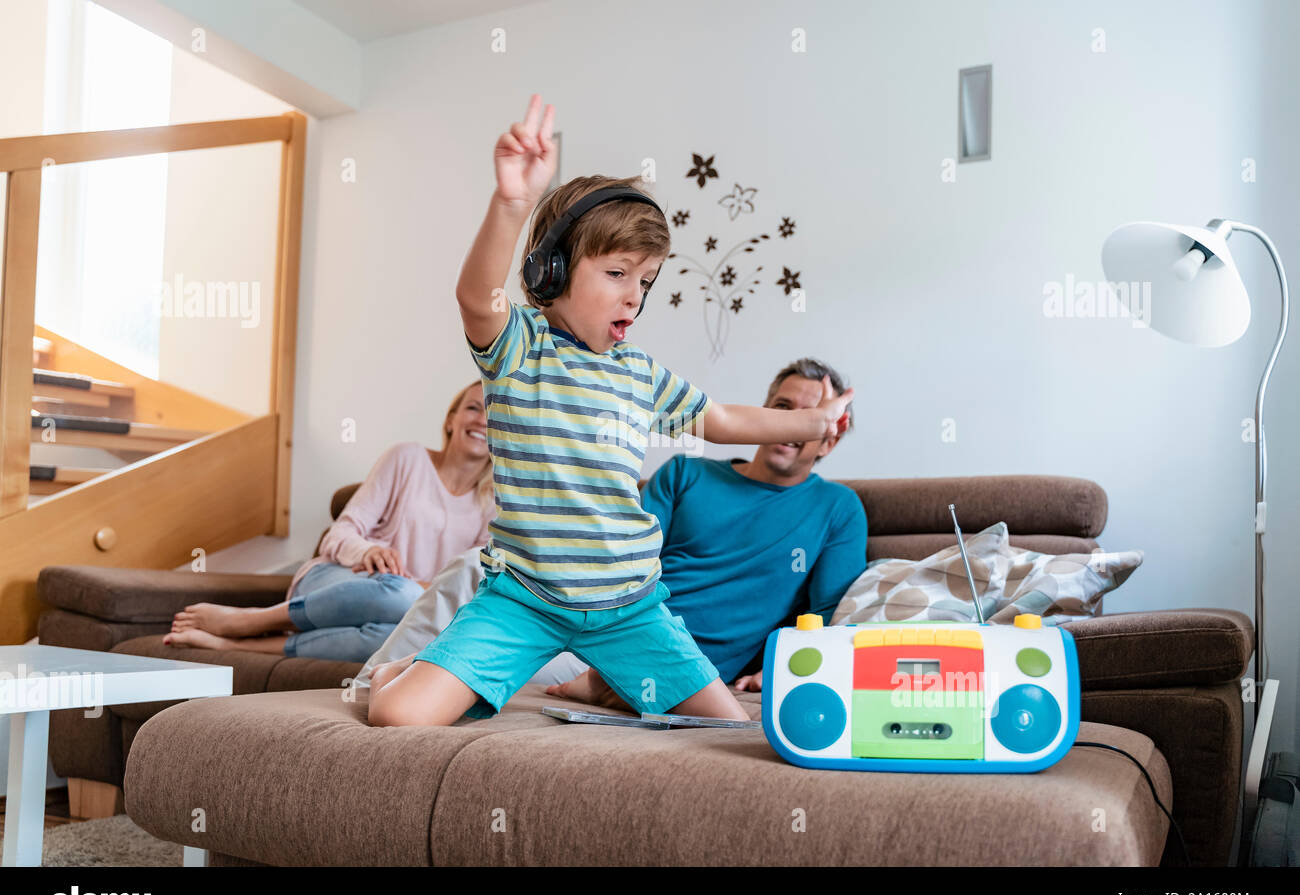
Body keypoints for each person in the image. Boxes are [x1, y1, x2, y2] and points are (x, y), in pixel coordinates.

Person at [368, 94, 853, 727]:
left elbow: (726, 422)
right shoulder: (521, 347)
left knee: (730, 727)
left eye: (646, 282)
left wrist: (816, 424)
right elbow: (475, 298)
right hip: (523, 599)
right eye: (618, 273)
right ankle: (391, 673)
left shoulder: (640, 373)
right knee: (398, 719)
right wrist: (513, 203)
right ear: (552, 272)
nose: (635, 296)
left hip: (631, 607)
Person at [546, 358, 866, 708]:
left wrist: (790, 666)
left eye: (809, 417)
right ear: (764, 417)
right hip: (600, 633)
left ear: (828, 442)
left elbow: (829, 613)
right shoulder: (685, 473)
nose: (792, 425)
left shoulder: (838, 508)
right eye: (783, 409)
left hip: (690, 671)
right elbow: (622, 563)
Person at [164, 380, 495, 661]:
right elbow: (340, 533)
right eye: (473, 408)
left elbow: (469, 585)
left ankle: (233, 644)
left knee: (396, 639)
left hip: (410, 606)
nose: (482, 420)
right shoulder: (406, 458)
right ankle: (253, 619)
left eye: (494, 413)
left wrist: (418, 592)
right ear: (451, 419)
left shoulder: (496, 506)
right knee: (398, 595)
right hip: (341, 579)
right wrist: (366, 552)